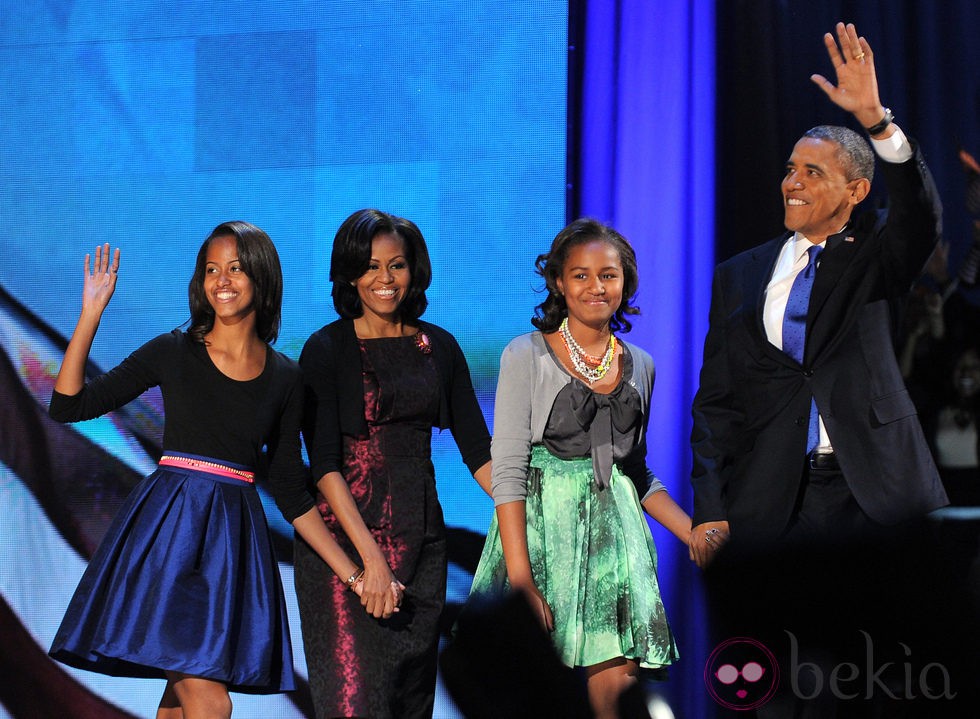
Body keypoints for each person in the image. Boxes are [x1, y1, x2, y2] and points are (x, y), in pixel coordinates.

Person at [689, 22, 950, 714]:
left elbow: (920, 216)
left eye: (813, 172)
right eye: (789, 168)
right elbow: (716, 403)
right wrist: (710, 511)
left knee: (885, 679)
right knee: (781, 688)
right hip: (775, 498)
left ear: (856, 192)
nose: (792, 182)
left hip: (872, 494)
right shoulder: (739, 275)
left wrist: (876, 122)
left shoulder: (873, 258)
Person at [47, 222, 355, 719]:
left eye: (235, 268)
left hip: (231, 549)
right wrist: (90, 314)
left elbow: (291, 491)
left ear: (261, 277)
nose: (222, 280)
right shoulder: (174, 350)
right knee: (210, 702)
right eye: (212, 269)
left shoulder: (286, 377)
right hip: (169, 537)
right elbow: (68, 406)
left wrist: (354, 575)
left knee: (180, 701)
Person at [465, 219, 692, 719]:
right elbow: (508, 470)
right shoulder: (526, 354)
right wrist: (523, 581)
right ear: (560, 283)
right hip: (547, 541)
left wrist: (692, 533)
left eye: (607, 275)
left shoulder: (642, 365)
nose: (595, 287)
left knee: (613, 695)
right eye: (581, 275)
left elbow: (634, 471)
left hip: (617, 548)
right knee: (534, 694)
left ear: (625, 283)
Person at [275, 208, 492, 719]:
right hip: (346, 551)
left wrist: (531, 513)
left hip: (423, 548)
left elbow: (480, 454)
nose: (385, 279)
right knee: (353, 706)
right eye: (371, 267)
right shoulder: (326, 349)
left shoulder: (438, 346)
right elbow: (324, 466)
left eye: (396, 265)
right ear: (350, 273)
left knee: (409, 706)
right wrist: (369, 563)